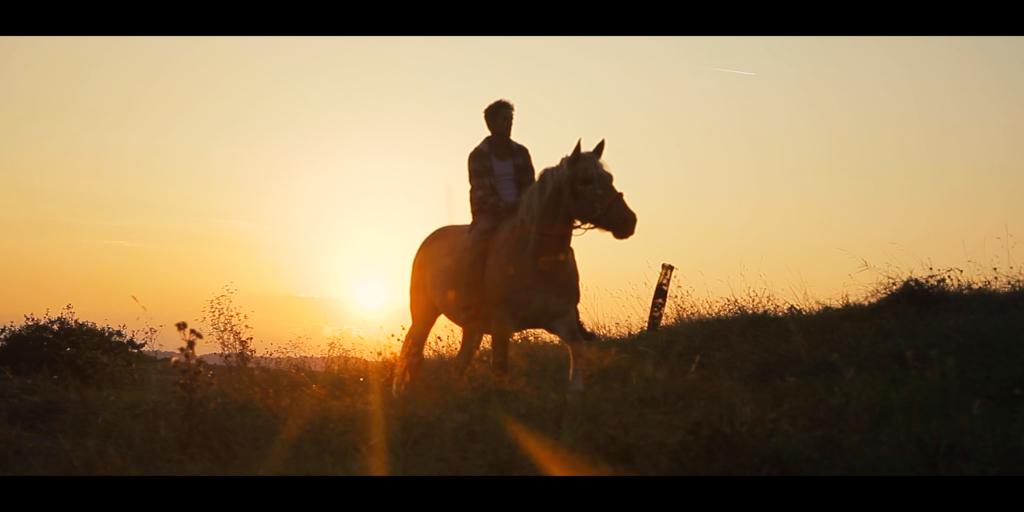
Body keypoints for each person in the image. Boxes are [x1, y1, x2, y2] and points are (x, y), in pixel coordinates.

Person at [461, 99, 536, 324]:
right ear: (491, 123)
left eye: (510, 119)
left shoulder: (521, 152)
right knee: (475, 247)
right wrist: (507, 208)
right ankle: (472, 300)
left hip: (521, 213)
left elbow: (530, 186)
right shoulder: (479, 155)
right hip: (490, 215)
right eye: (504, 119)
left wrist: (525, 208)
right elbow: (481, 192)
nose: (508, 124)